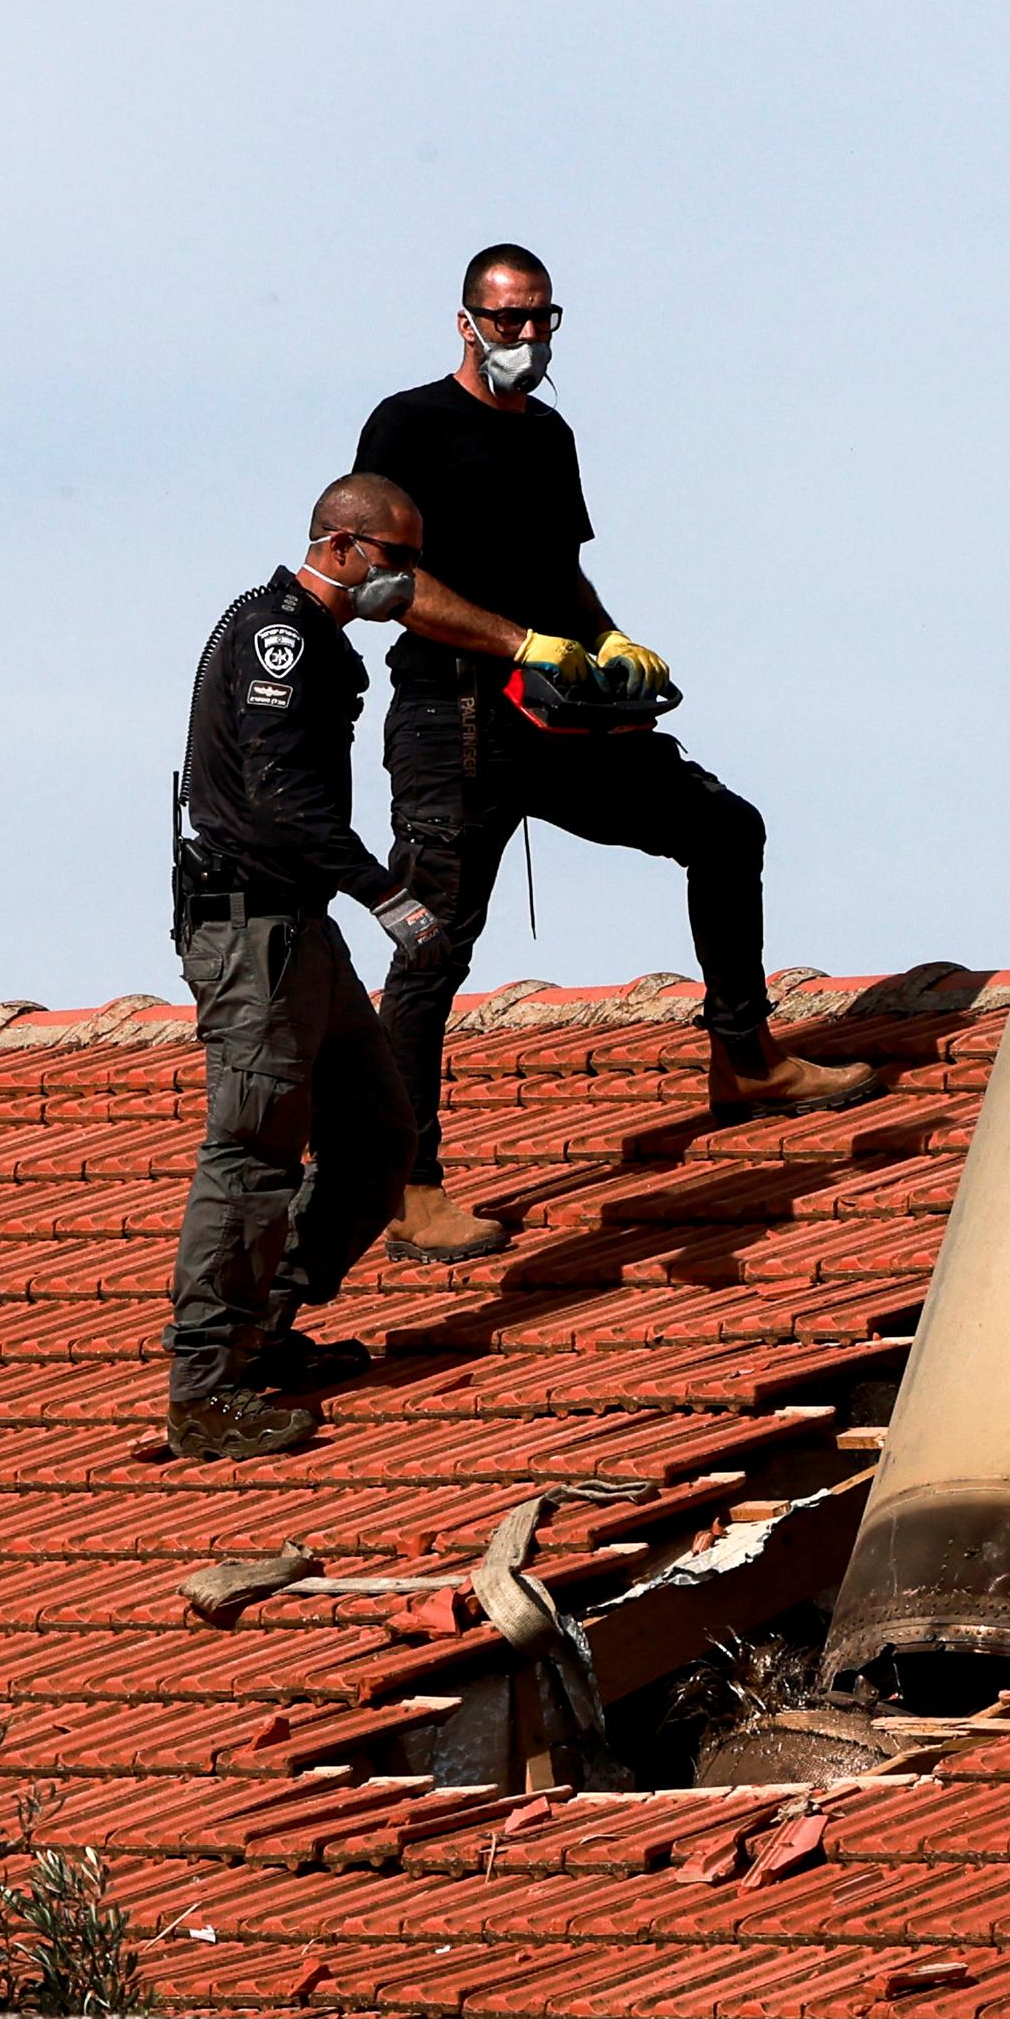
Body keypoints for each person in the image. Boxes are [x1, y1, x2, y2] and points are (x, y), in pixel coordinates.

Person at [355, 242, 871, 1262]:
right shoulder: (408, 425)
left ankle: (747, 1057)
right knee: (432, 950)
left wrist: (611, 642)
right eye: (508, 319)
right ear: (466, 322)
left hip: (555, 715)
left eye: (544, 318)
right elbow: (388, 588)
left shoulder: (548, 436)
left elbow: (563, 577)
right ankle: (407, 1189)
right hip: (452, 719)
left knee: (723, 828)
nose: (528, 337)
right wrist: (516, 641)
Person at [164, 472, 440, 1463]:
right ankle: (207, 1390)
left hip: (298, 926)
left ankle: (266, 1326)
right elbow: (281, 795)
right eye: (394, 561)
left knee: (377, 1134)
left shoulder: (313, 640)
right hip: (255, 934)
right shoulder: (276, 632)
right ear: (340, 543)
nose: (404, 583)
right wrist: (385, 891)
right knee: (252, 1151)